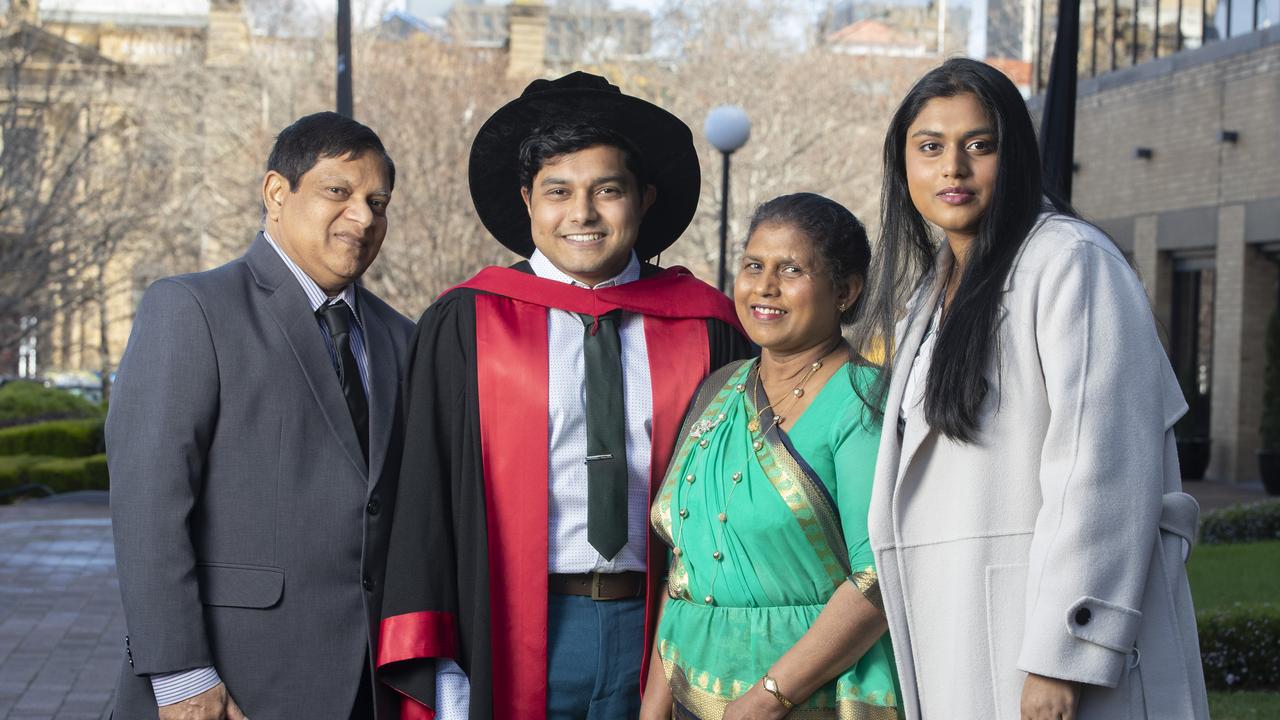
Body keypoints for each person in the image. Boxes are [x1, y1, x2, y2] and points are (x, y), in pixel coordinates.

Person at [376, 72, 752, 720]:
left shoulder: (709, 327)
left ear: (644, 198)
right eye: (558, 192)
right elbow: (422, 502)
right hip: (514, 624)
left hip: (669, 630)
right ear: (527, 201)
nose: (581, 214)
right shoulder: (467, 323)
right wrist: (439, 662)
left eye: (607, 190)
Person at [864, 58, 1209, 719]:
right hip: (962, 633)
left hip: (1040, 648)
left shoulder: (1070, 261)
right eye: (930, 147)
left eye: (979, 145)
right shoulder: (928, 295)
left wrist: (1063, 655)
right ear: (902, 162)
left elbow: (1101, 470)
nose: (952, 169)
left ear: (1015, 155)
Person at [108, 112, 414, 720]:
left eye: (378, 202)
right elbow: (149, 505)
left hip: (372, 685)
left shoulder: (402, 337)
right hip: (233, 679)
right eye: (339, 192)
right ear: (277, 193)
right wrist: (181, 675)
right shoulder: (192, 308)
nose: (363, 217)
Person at [639, 193, 901, 720]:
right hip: (694, 686)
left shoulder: (862, 402)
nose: (765, 287)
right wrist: (653, 706)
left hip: (808, 697)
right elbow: (684, 569)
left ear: (845, 291)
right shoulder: (721, 389)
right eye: (754, 266)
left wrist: (767, 698)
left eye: (791, 269)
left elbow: (879, 580)